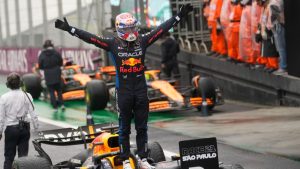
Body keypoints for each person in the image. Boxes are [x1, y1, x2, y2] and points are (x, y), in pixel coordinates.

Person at [55, 4, 193, 169]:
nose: (130, 32)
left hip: (141, 90)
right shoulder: (112, 43)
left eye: (132, 27)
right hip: (124, 92)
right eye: (127, 29)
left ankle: (142, 158)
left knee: (142, 127)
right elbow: (91, 38)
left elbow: (160, 30)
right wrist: (70, 29)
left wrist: (178, 16)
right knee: (124, 128)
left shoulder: (142, 40)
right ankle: (126, 160)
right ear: (119, 29)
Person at [0, 73, 39, 169]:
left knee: (9, 157)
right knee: (23, 159)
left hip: (11, 130)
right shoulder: (27, 95)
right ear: (20, 83)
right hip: (25, 129)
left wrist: (0, 132)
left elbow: (1, 117)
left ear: (7, 84)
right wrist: (36, 128)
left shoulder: (4, 97)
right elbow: (33, 113)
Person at [38, 40, 65, 111]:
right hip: (57, 72)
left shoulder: (42, 54)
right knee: (59, 90)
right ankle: (62, 105)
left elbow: (40, 66)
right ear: (52, 45)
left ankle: (55, 107)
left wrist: (44, 72)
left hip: (48, 73)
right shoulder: (56, 52)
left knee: (51, 91)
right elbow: (61, 62)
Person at [255, 0, 279, 73]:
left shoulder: (270, 7)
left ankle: (274, 65)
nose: (258, 4)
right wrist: (260, 30)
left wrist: (267, 30)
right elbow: (262, 20)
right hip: (265, 30)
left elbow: (272, 20)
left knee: (271, 48)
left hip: (270, 30)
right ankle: (269, 64)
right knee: (266, 48)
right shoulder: (264, 8)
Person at [269, 0, 287, 75]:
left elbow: (275, 17)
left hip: (278, 26)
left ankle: (283, 66)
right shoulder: (277, 2)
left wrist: (273, 26)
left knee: (281, 47)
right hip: (279, 25)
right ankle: (282, 65)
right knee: (280, 48)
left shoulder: (276, 2)